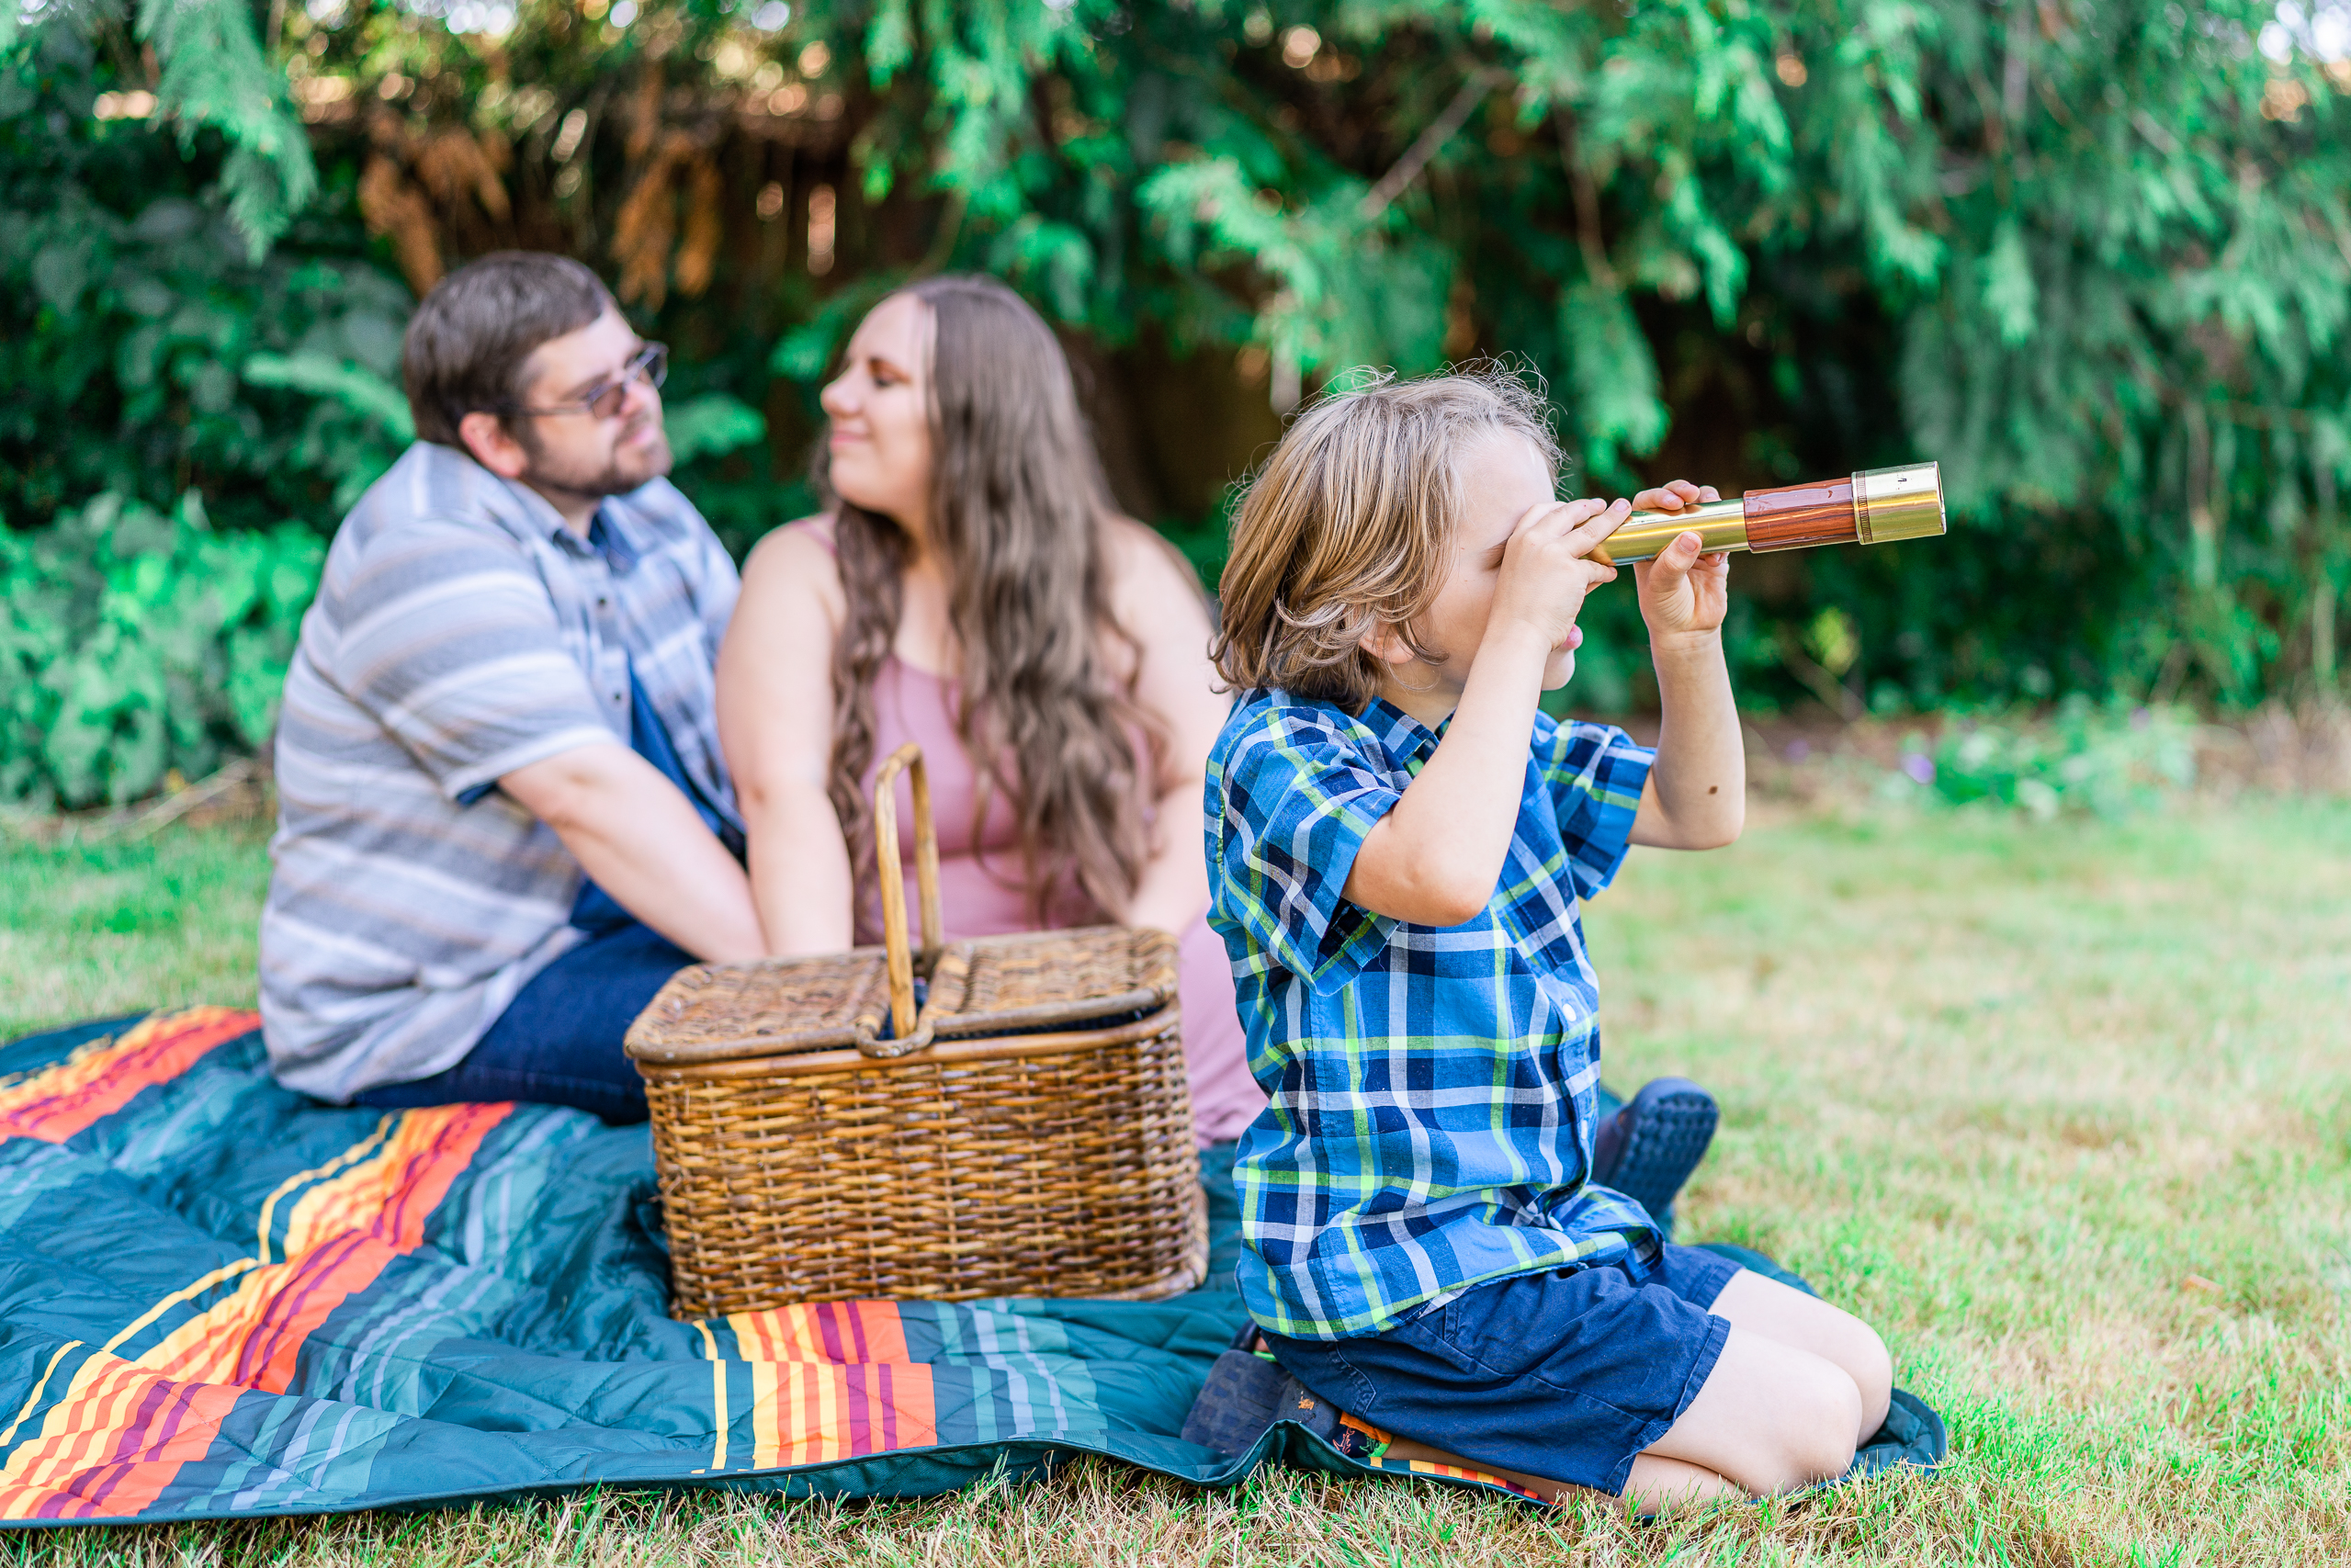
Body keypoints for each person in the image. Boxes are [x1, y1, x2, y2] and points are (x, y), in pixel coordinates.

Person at [1196, 369, 1892, 1512]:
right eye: (1510, 555)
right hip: (1393, 1287)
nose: (1560, 569)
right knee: (1807, 1437)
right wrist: (1523, 631)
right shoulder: (1278, 756)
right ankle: (1357, 1416)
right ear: (1373, 613)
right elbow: (1438, 873)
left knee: (1858, 1375)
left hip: (1543, 1235)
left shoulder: (1498, 734)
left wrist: (1684, 638)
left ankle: (1525, 1403)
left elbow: (1699, 810)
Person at [716, 275, 1265, 1145]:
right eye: (845, 368)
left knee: (1223, 985)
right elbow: (783, 804)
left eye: (881, 377)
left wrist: (1127, 967)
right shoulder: (800, 572)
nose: (835, 394)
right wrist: (831, 1023)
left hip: (1124, 985)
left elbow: (1210, 777)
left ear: (979, 413)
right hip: (921, 1016)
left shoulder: (1122, 569)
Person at [260, 252, 758, 1122]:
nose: (639, 401)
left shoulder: (639, 500)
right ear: (493, 439)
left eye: (640, 365)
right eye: (598, 395)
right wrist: (813, 987)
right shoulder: (424, 548)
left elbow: (761, 722)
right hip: (447, 1000)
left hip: (602, 927)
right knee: (772, 1043)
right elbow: (588, 795)